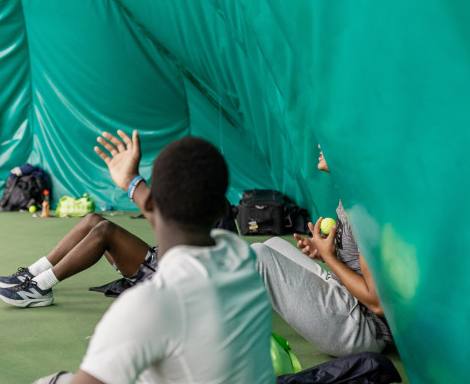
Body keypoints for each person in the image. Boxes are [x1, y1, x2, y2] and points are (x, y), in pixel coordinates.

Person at [35, 130, 274, 383]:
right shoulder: (243, 261)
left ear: (148, 204)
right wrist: (131, 181)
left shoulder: (149, 305)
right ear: (222, 210)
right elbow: (168, 216)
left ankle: (37, 285)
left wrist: (134, 184)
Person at [251, 147, 394, 357]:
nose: (319, 145)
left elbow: (377, 303)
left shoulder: (362, 208)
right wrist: (327, 251)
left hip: (361, 327)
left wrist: (329, 258)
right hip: (344, 295)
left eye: (327, 141)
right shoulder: (351, 194)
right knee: (272, 244)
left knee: (258, 255)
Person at [0, 211, 156, 307]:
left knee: (105, 230)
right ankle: (33, 273)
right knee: (92, 220)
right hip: (159, 256)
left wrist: (131, 181)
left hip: (161, 273)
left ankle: (40, 287)